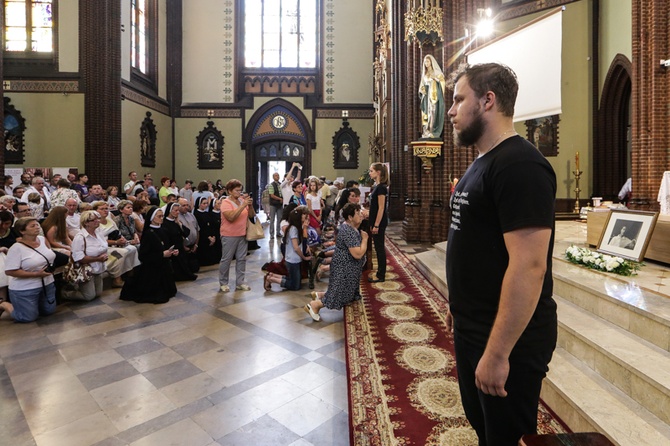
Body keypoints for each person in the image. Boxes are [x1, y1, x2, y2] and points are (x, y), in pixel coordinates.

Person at [445, 63, 557, 446]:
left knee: (507, 439)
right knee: (486, 431)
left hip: (509, 340)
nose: (451, 110)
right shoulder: (483, 162)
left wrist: (497, 352)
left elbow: (529, 266)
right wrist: (460, 310)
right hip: (476, 327)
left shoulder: (519, 164)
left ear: (487, 100)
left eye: (459, 99)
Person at [304, 203, 368, 321]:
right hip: (344, 268)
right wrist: (365, 240)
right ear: (350, 217)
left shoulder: (350, 227)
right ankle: (315, 305)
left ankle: (320, 295)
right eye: (358, 214)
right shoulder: (348, 231)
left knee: (345, 291)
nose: (361, 216)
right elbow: (357, 254)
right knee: (338, 294)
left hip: (347, 267)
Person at [0, 217, 57, 323]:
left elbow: (50, 255)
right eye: (32, 226)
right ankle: (4, 304)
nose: (37, 227)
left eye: (37, 225)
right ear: (22, 231)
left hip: (47, 282)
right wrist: (35, 274)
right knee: (28, 317)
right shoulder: (16, 248)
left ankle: (33, 307)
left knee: (49, 311)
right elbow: (10, 271)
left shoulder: (42, 239)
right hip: (26, 287)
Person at [120, 206, 178, 304]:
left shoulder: (164, 230)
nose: (161, 218)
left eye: (162, 216)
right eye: (159, 216)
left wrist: (173, 252)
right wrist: (161, 254)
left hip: (164, 267)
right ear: (152, 218)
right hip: (152, 268)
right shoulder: (148, 234)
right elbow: (143, 256)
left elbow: (167, 246)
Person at [61, 210, 108, 301]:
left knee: (98, 294)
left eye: (98, 219)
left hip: (98, 268)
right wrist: (98, 258)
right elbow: (79, 258)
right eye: (93, 220)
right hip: (86, 269)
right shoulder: (80, 237)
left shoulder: (98, 233)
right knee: (89, 296)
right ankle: (66, 293)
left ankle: (81, 288)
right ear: (86, 223)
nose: (97, 221)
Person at [91, 201, 140, 288]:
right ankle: (117, 279)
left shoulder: (110, 220)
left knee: (133, 249)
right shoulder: (95, 223)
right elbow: (99, 240)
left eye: (106, 208)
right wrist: (116, 242)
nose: (105, 211)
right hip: (104, 247)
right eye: (102, 209)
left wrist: (123, 240)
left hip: (115, 243)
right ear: (95, 211)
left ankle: (131, 274)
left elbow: (118, 233)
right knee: (121, 253)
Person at [218, 179, 254, 292]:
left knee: (241, 259)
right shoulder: (225, 203)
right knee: (227, 259)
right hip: (229, 235)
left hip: (242, 233)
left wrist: (251, 206)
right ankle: (223, 282)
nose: (239, 193)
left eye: (240, 190)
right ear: (229, 191)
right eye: (237, 190)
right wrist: (243, 206)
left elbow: (251, 215)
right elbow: (231, 217)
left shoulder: (242, 200)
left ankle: (240, 282)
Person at [264, 207, 312, 291]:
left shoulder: (297, 228)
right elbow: (296, 247)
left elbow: (302, 242)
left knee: (294, 280)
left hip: (295, 259)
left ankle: (273, 275)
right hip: (292, 260)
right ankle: (271, 279)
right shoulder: (293, 229)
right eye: (303, 215)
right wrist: (304, 257)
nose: (304, 217)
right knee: (295, 286)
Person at [367, 163, 389, 283]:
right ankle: (379, 272)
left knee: (379, 248)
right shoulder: (377, 186)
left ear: (378, 172)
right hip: (375, 220)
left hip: (379, 222)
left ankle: (381, 275)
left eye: (371, 171)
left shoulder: (381, 187)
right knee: (378, 247)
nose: (370, 173)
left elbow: (381, 208)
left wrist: (376, 225)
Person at [419, 54, 447, 139]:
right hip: (427, 99)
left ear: (431, 62)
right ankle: (427, 130)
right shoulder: (425, 74)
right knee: (427, 113)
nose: (426, 63)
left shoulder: (437, 72)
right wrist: (422, 90)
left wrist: (435, 79)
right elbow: (421, 86)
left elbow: (442, 82)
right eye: (425, 62)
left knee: (433, 113)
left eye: (427, 61)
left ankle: (433, 130)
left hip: (434, 97)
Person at [193, 197, 221, 266]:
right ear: (199, 204)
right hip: (203, 237)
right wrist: (208, 237)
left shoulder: (207, 213)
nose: (206, 205)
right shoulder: (196, 214)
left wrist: (213, 237)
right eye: (204, 203)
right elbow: (201, 228)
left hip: (211, 236)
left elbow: (211, 226)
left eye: (206, 203)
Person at [267, 172, 283, 238]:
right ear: (273, 177)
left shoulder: (280, 184)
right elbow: (272, 195)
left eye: (278, 175)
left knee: (279, 219)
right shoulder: (271, 185)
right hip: (273, 204)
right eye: (276, 175)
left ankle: (278, 232)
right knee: (272, 219)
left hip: (279, 204)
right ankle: (271, 234)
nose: (277, 176)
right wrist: (280, 199)